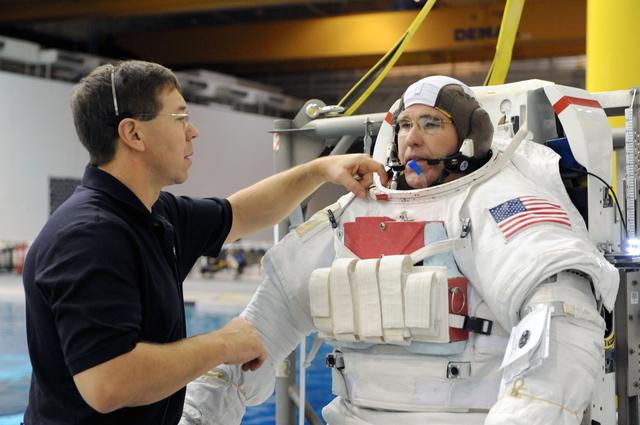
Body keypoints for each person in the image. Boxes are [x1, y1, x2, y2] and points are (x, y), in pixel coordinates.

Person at [180, 76, 619, 425]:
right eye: (406, 125)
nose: (412, 138)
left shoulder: (498, 201)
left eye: (431, 124)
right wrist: (196, 415)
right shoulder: (353, 212)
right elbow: (255, 333)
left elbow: (562, 326)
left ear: (469, 138)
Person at [21, 60, 388, 425]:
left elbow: (241, 213)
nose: (192, 132)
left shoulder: (152, 213)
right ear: (134, 134)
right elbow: (107, 382)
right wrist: (222, 344)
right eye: (180, 118)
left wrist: (321, 170)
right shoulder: (90, 236)